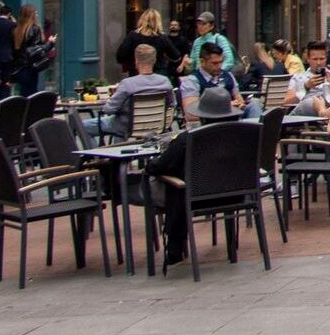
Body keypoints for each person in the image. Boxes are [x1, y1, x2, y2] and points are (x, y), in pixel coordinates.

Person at [147, 85, 240, 268]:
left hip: (195, 198)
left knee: (156, 182)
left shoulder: (187, 139)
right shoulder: (242, 135)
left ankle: (174, 246)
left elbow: (161, 165)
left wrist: (149, 167)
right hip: (235, 194)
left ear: (203, 116)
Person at [85, 44, 175, 144]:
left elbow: (109, 109)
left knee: (83, 126)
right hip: (156, 126)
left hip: (127, 127)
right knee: (120, 121)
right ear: (154, 61)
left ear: (136, 61)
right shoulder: (165, 82)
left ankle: (95, 156)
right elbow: (172, 106)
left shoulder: (128, 84)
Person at [179, 46, 247, 122]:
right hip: (209, 124)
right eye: (214, 63)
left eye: (221, 62)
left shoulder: (228, 75)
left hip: (234, 121)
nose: (219, 66)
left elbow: (240, 101)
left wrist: (240, 105)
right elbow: (190, 114)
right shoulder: (192, 81)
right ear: (202, 61)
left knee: (254, 105)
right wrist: (225, 108)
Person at [287, 43, 330, 117]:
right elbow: (287, 102)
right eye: (315, 59)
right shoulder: (298, 78)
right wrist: (306, 87)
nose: (319, 63)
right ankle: (324, 114)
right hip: (306, 112)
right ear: (308, 59)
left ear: (326, 58)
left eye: (322, 59)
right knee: (311, 101)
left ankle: (324, 114)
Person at [116, 10, 179, 78]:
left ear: (142, 20)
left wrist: (132, 60)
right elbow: (176, 56)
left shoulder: (132, 36)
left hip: (137, 74)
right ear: (158, 22)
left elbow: (120, 56)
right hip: (158, 75)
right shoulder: (162, 38)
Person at [11, 3, 54, 96]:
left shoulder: (17, 30)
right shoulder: (35, 29)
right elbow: (37, 50)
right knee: (31, 92)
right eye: (35, 13)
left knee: (24, 92)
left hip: (20, 67)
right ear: (31, 15)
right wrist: (50, 43)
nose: (37, 15)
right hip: (31, 66)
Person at [0, 4, 17, 99]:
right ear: (9, 14)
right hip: (7, 55)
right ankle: (4, 98)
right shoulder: (11, 25)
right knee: (6, 79)